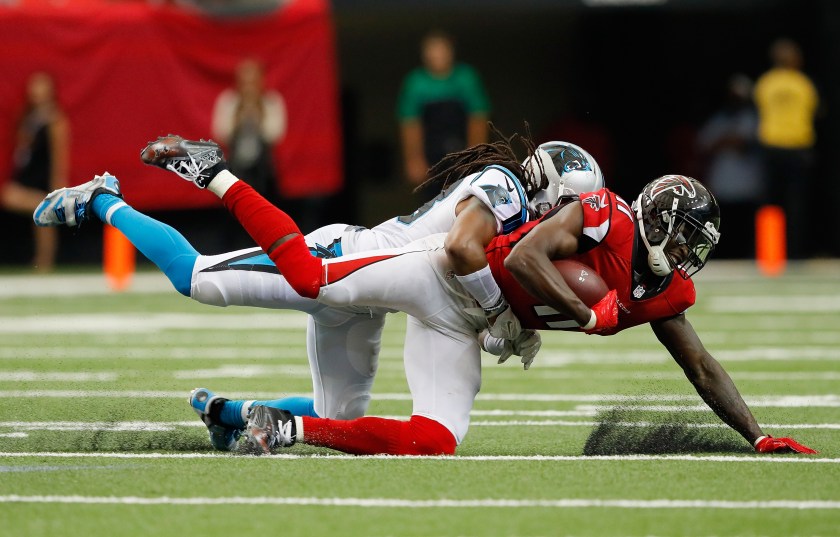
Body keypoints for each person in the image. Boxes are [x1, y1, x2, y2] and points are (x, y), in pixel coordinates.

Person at [115, 137, 814, 457]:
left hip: (462, 316)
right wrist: (570, 314)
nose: (688, 257)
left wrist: (755, 432)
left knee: (435, 439)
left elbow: (701, 364)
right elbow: (485, 252)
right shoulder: (576, 207)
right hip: (417, 268)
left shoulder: (661, 283)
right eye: (684, 239)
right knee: (276, 279)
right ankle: (211, 174)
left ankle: (277, 424)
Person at [33, 133, 604, 451]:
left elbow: (488, 275)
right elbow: (461, 252)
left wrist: (518, 322)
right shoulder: (505, 189)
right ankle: (104, 198)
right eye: (568, 206)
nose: (570, 223)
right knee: (198, 280)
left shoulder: (523, 217)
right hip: (342, 261)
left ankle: (227, 412)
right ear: (550, 189)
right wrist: (502, 311)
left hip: (377, 297)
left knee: (339, 415)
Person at [397, 30, 491, 186]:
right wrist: (413, 159)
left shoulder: (466, 77)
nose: (437, 55)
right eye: (432, 50)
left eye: (442, 49)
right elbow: (410, 124)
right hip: (431, 154)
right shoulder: (415, 82)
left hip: (462, 148)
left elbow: (478, 119)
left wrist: (476, 156)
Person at [753, 38, 819, 259]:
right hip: (797, 148)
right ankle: (794, 253)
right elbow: (814, 110)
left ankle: (770, 254)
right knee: (796, 203)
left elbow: (759, 108)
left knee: (769, 202)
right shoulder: (803, 84)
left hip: (771, 147)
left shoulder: (766, 82)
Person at [2, 72, 70, 272]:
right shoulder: (29, 118)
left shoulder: (55, 120)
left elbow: (60, 155)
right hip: (26, 177)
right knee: (38, 211)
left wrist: (57, 183)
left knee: (44, 211)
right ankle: (42, 260)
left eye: (41, 87)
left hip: (41, 180)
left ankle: (45, 261)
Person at [695, 74, 765, 259]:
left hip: (748, 184)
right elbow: (703, 144)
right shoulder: (720, 118)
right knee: (722, 229)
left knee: (746, 228)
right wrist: (727, 141)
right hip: (722, 184)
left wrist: (726, 141)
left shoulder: (753, 117)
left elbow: (742, 143)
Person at [212, 59, 287, 206]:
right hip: (235, 165)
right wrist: (237, 116)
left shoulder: (271, 101)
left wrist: (260, 113)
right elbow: (221, 133)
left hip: (263, 169)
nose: (248, 87)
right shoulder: (228, 101)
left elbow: (275, 134)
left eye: (253, 81)